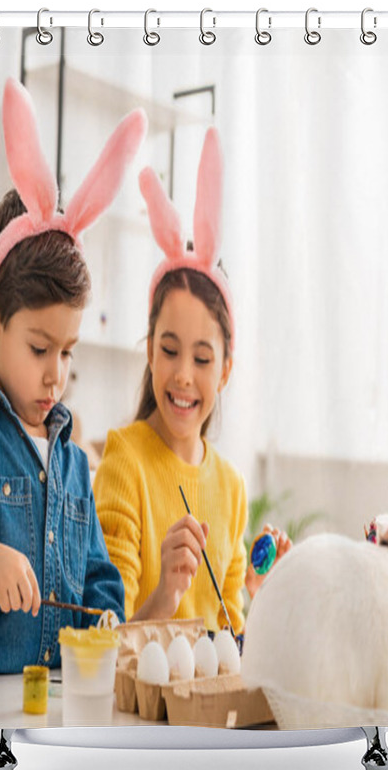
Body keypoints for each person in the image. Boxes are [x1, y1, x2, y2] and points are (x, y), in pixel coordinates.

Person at [0, 79, 147, 682]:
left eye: (68, 352)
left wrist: (108, 618)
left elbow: (97, 576)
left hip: (59, 707)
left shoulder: (71, 463)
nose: (55, 374)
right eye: (40, 348)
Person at [93, 128, 290, 634]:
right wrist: (166, 595)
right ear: (150, 351)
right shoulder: (124, 461)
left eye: (202, 359)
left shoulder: (231, 487)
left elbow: (232, 641)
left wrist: (254, 591)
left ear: (225, 369)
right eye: (169, 350)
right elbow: (104, 639)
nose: (183, 375)